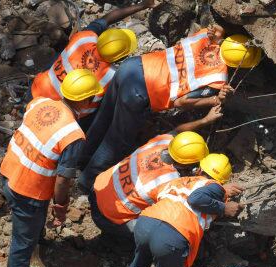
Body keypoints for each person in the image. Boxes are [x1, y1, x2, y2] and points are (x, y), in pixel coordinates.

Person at [78, 27, 262, 190]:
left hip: (133, 67)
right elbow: (181, 102)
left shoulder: (205, 36)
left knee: (103, 117)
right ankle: (86, 182)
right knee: (117, 140)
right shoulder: (217, 80)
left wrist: (220, 32)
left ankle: (81, 158)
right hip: (140, 93)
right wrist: (215, 99)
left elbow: (218, 29)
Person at [87, 153, 244, 267]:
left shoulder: (176, 181)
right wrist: (223, 207)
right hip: (173, 233)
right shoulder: (214, 186)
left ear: (198, 169)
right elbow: (196, 198)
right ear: (222, 180)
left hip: (147, 223)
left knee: (138, 266)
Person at [0, 69, 99, 267]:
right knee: (22, 247)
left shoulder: (40, 103)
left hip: (8, 173)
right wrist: (61, 205)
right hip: (29, 192)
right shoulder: (73, 135)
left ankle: (36, 235)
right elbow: (63, 180)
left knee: (29, 230)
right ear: (85, 101)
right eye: (92, 98)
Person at [31, 0, 157, 129]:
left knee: (61, 55)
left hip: (38, 89)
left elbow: (106, 19)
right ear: (122, 57)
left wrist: (142, 5)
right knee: (102, 109)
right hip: (60, 117)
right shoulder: (112, 77)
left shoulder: (84, 38)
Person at [90, 123, 220, 239]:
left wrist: (205, 120)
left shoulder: (162, 141)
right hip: (109, 218)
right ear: (188, 165)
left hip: (96, 189)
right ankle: (123, 245)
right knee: (163, 228)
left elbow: (178, 130)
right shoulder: (171, 182)